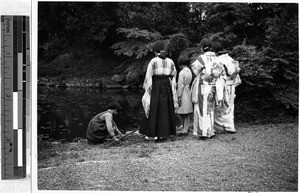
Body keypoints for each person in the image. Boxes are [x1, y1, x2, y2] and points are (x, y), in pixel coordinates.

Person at [140, 40, 177, 142]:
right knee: (166, 109)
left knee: (154, 108)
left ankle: (153, 134)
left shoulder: (153, 61)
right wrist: (172, 87)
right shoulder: (171, 61)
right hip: (167, 85)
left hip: (156, 85)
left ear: (156, 51)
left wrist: (148, 90)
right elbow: (174, 75)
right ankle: (165, 134)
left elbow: (148, 76)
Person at [190, 38, 225, 139]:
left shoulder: (202, 58)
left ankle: (203, 132)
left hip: (203, 86)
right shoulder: (217, 59)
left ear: (202, 48)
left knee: (202, 109)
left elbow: (195, 70)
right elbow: (221, 72)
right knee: (210, 109)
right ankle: (211, 131)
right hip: (213, 85)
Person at [212, 41, 242, 133]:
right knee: (229, 107)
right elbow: (235, 71)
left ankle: (221, 127)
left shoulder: (218, 60)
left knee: (220, 106)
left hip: (223, 85)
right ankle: (230, 126)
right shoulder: (229, 58)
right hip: (231, 85)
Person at [175, 55, 193, 136]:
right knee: (187, 112)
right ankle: (186, 127)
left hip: (183, 93)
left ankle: (185, 129)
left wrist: (178, 96)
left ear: (180, 64)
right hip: (188, 91)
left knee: (180, 111)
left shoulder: (181, 73)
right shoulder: (189, 71)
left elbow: (181, 85)